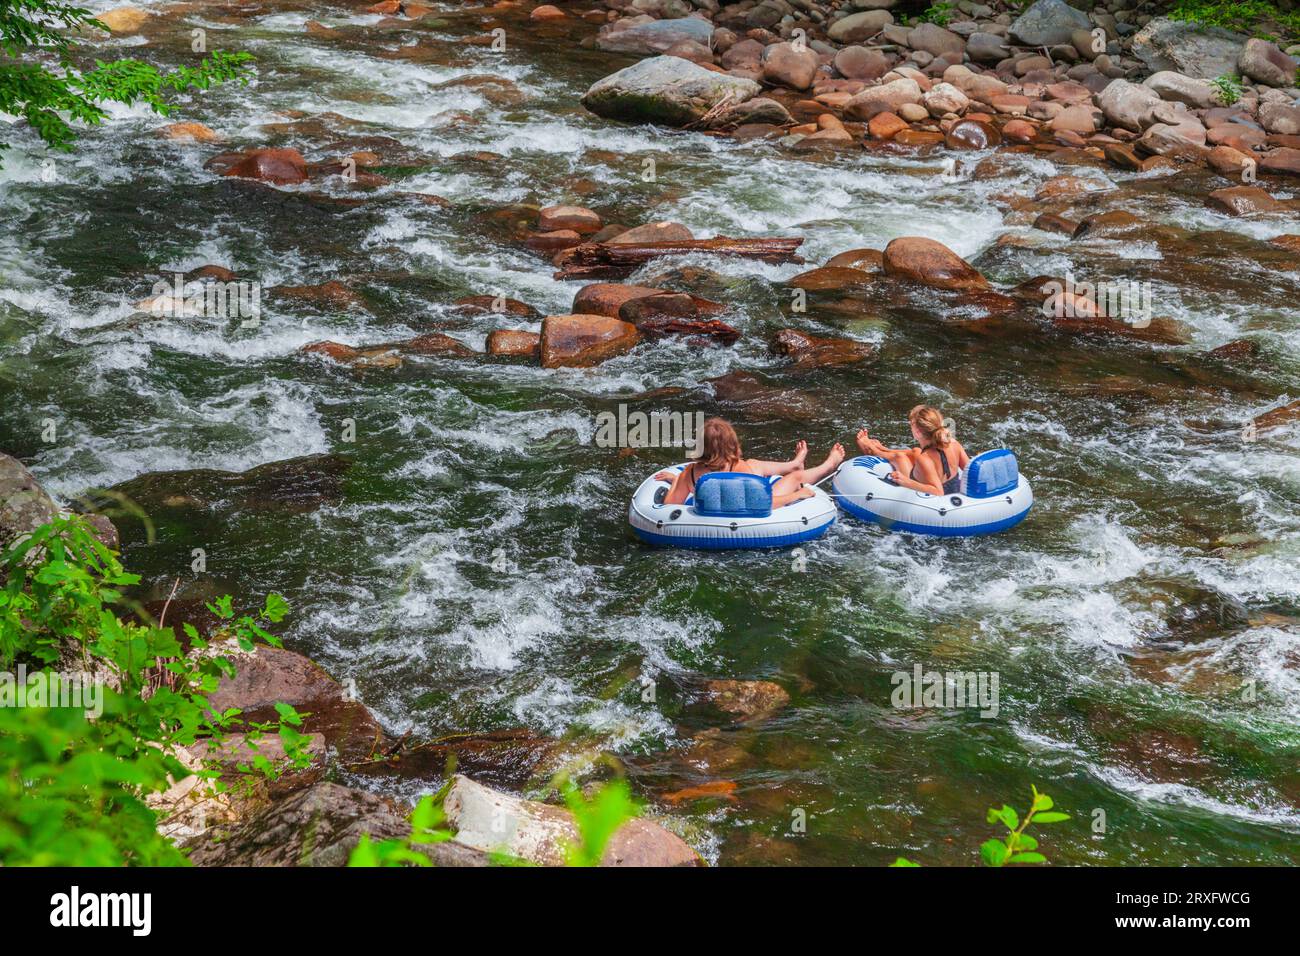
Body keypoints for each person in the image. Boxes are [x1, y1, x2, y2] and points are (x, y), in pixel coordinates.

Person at [654, 417, 844, 508]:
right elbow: (762, 504)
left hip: (710, 517)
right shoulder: (740, 469)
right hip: (748, 512)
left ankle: (794, 462)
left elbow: (668, 506)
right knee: (795, 478)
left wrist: (678, 481)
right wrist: (798, 494)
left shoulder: (690, 472)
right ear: (732, 444)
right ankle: (827, 465)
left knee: (754, 463)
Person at [855, 405, 969, 496]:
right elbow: (969, 469)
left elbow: (938, 492)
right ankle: (882, 449)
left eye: (912, 425)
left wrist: (905, 481)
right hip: (953, 487)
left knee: (900, 457)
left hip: (938, 499)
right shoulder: (953, 443)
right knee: (916, 450)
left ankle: (872, 450)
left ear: (918, 432)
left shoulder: (925, 459)